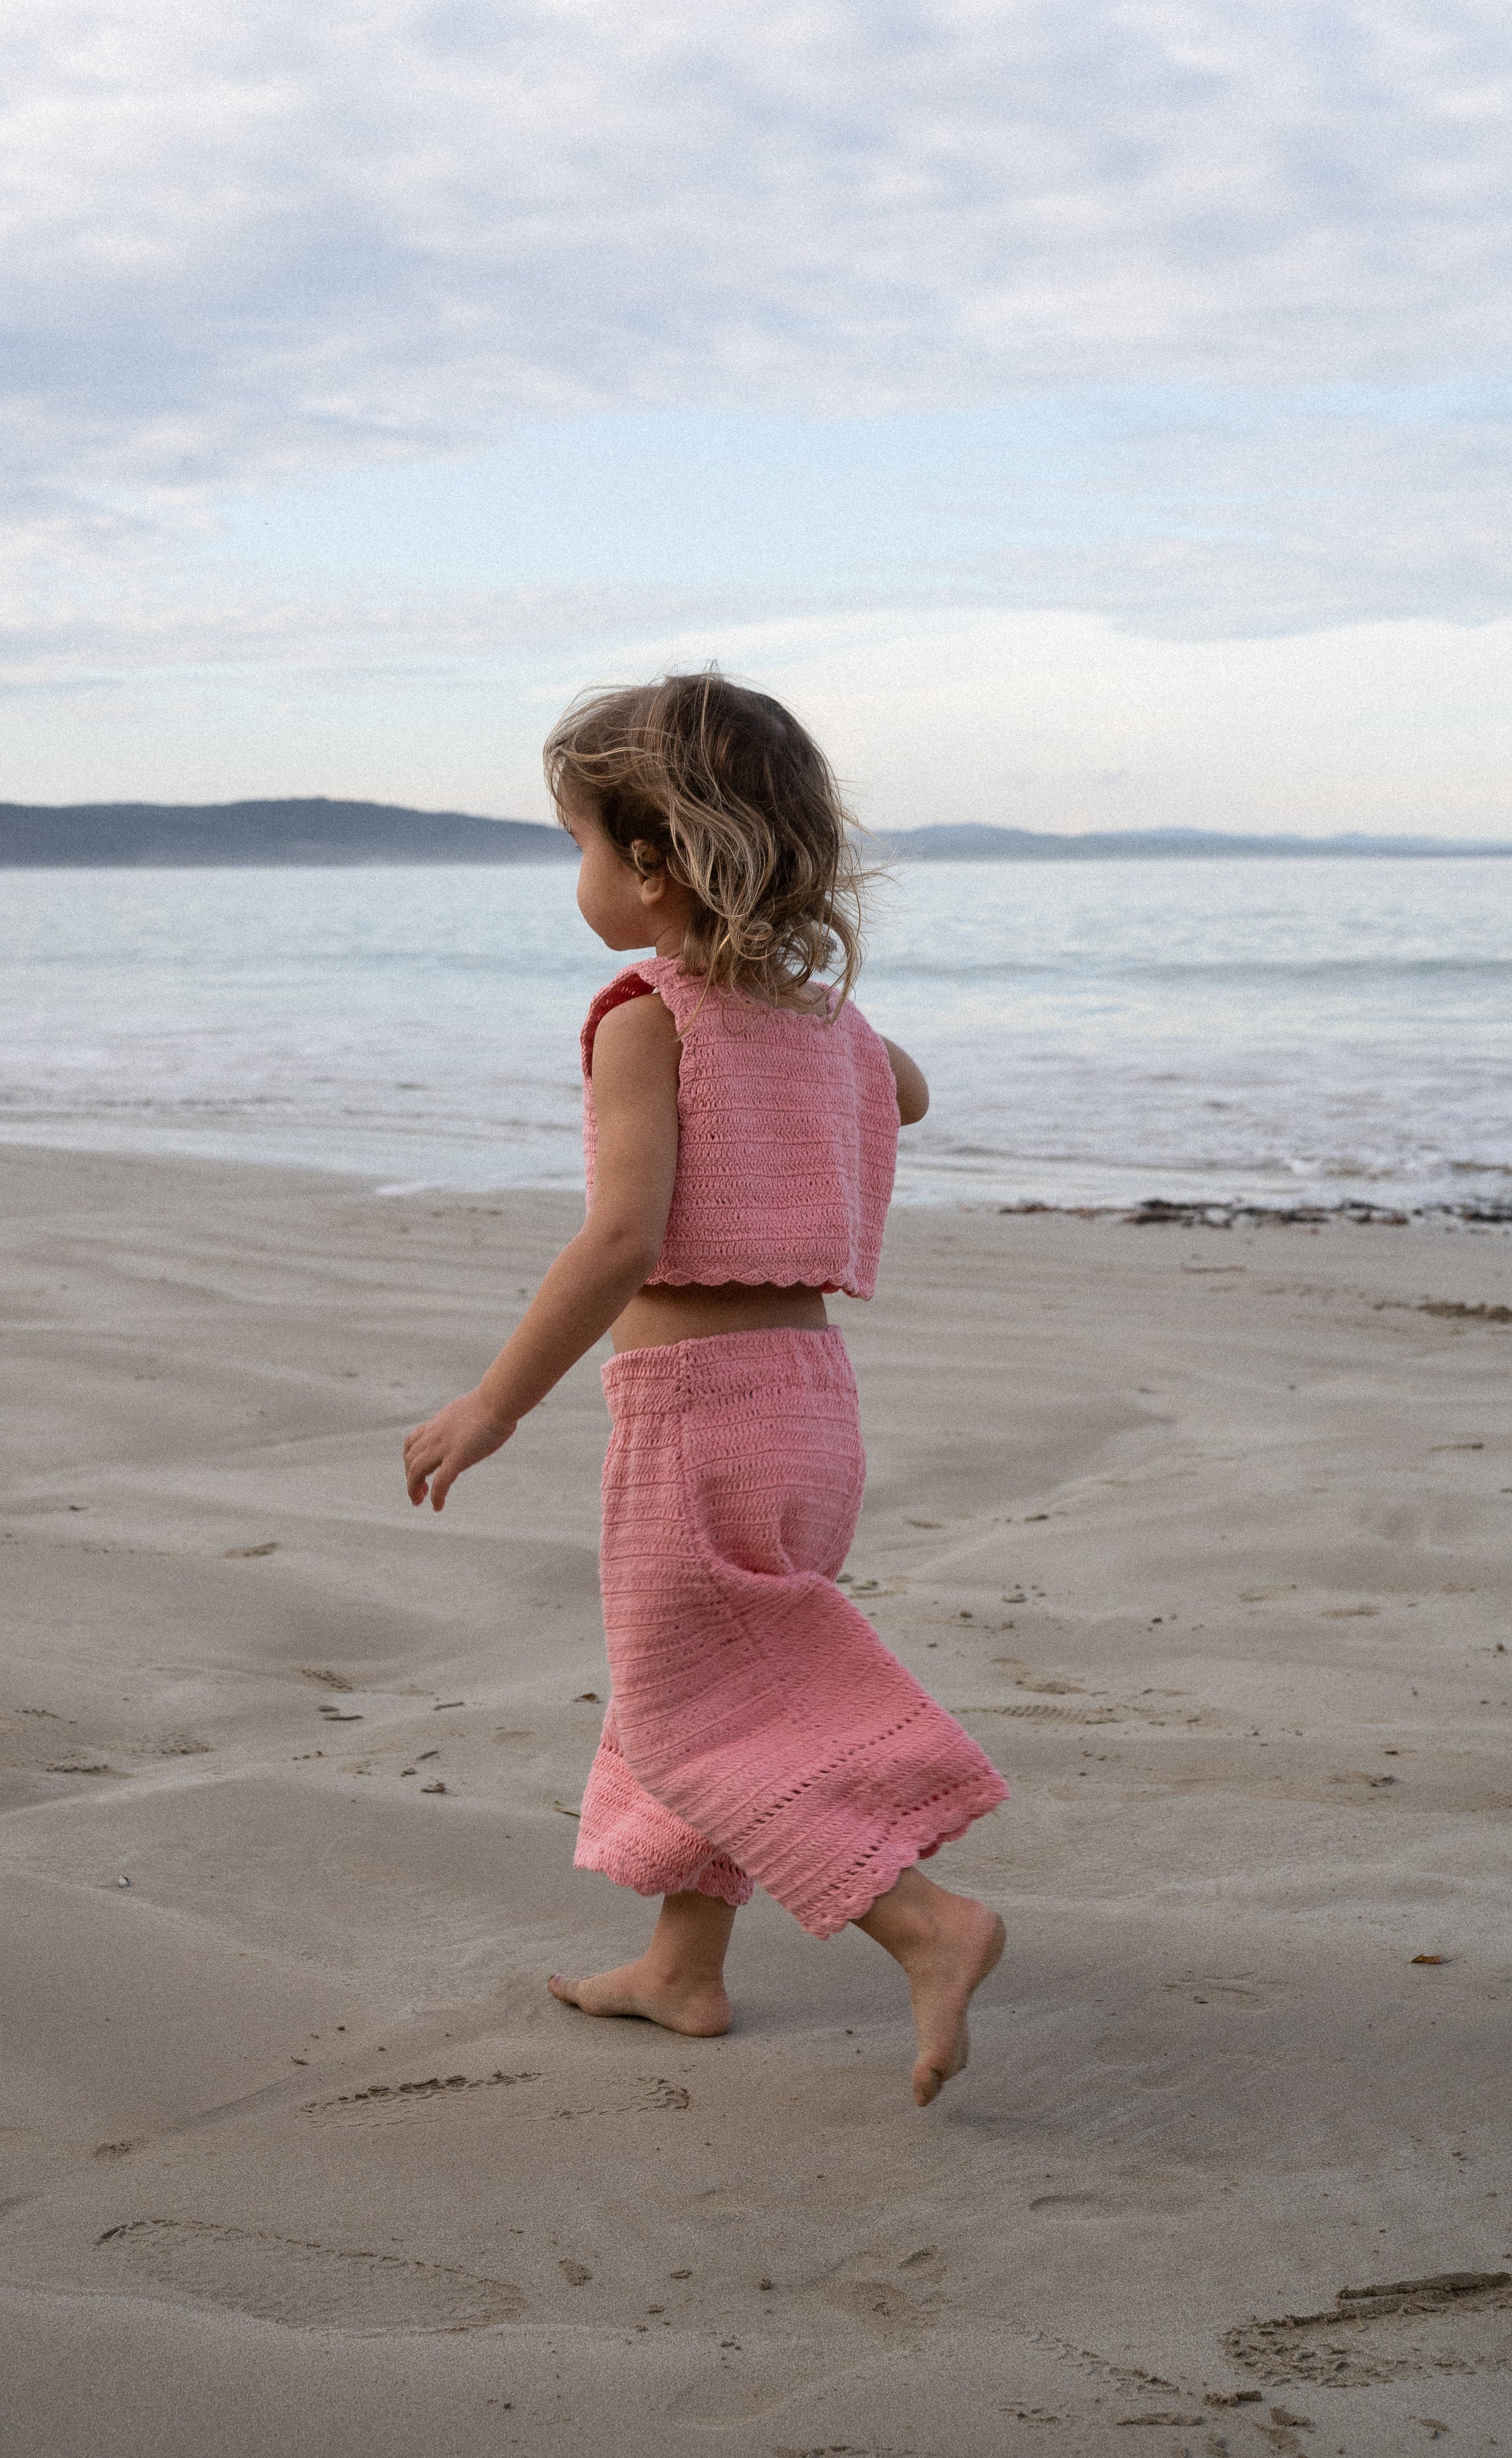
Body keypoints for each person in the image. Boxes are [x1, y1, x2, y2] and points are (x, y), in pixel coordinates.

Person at [403, 669, 1008, 2106]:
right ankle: (682, 1967)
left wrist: (494, 1402)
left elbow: (620, 1237)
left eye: (582, 848)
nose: (582, 879)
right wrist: (806, 1018)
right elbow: (905, 1090)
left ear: (658, 862)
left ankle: (922, 1923)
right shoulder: (823, 1022)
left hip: (696, 1414)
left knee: (695, 1714)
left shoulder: (645, 1017)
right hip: (813, 1406)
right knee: (691, 1682)